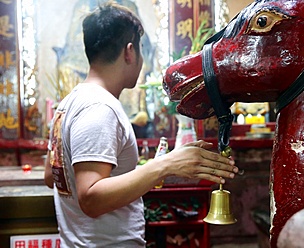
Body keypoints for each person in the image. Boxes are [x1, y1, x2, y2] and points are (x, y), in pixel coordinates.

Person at [44, 2, 238, 247]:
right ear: (129, 52)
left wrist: (171, 162)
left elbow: (51, 176)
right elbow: (91, 199)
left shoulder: (67, 103)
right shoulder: (99, 108)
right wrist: (165, 165)